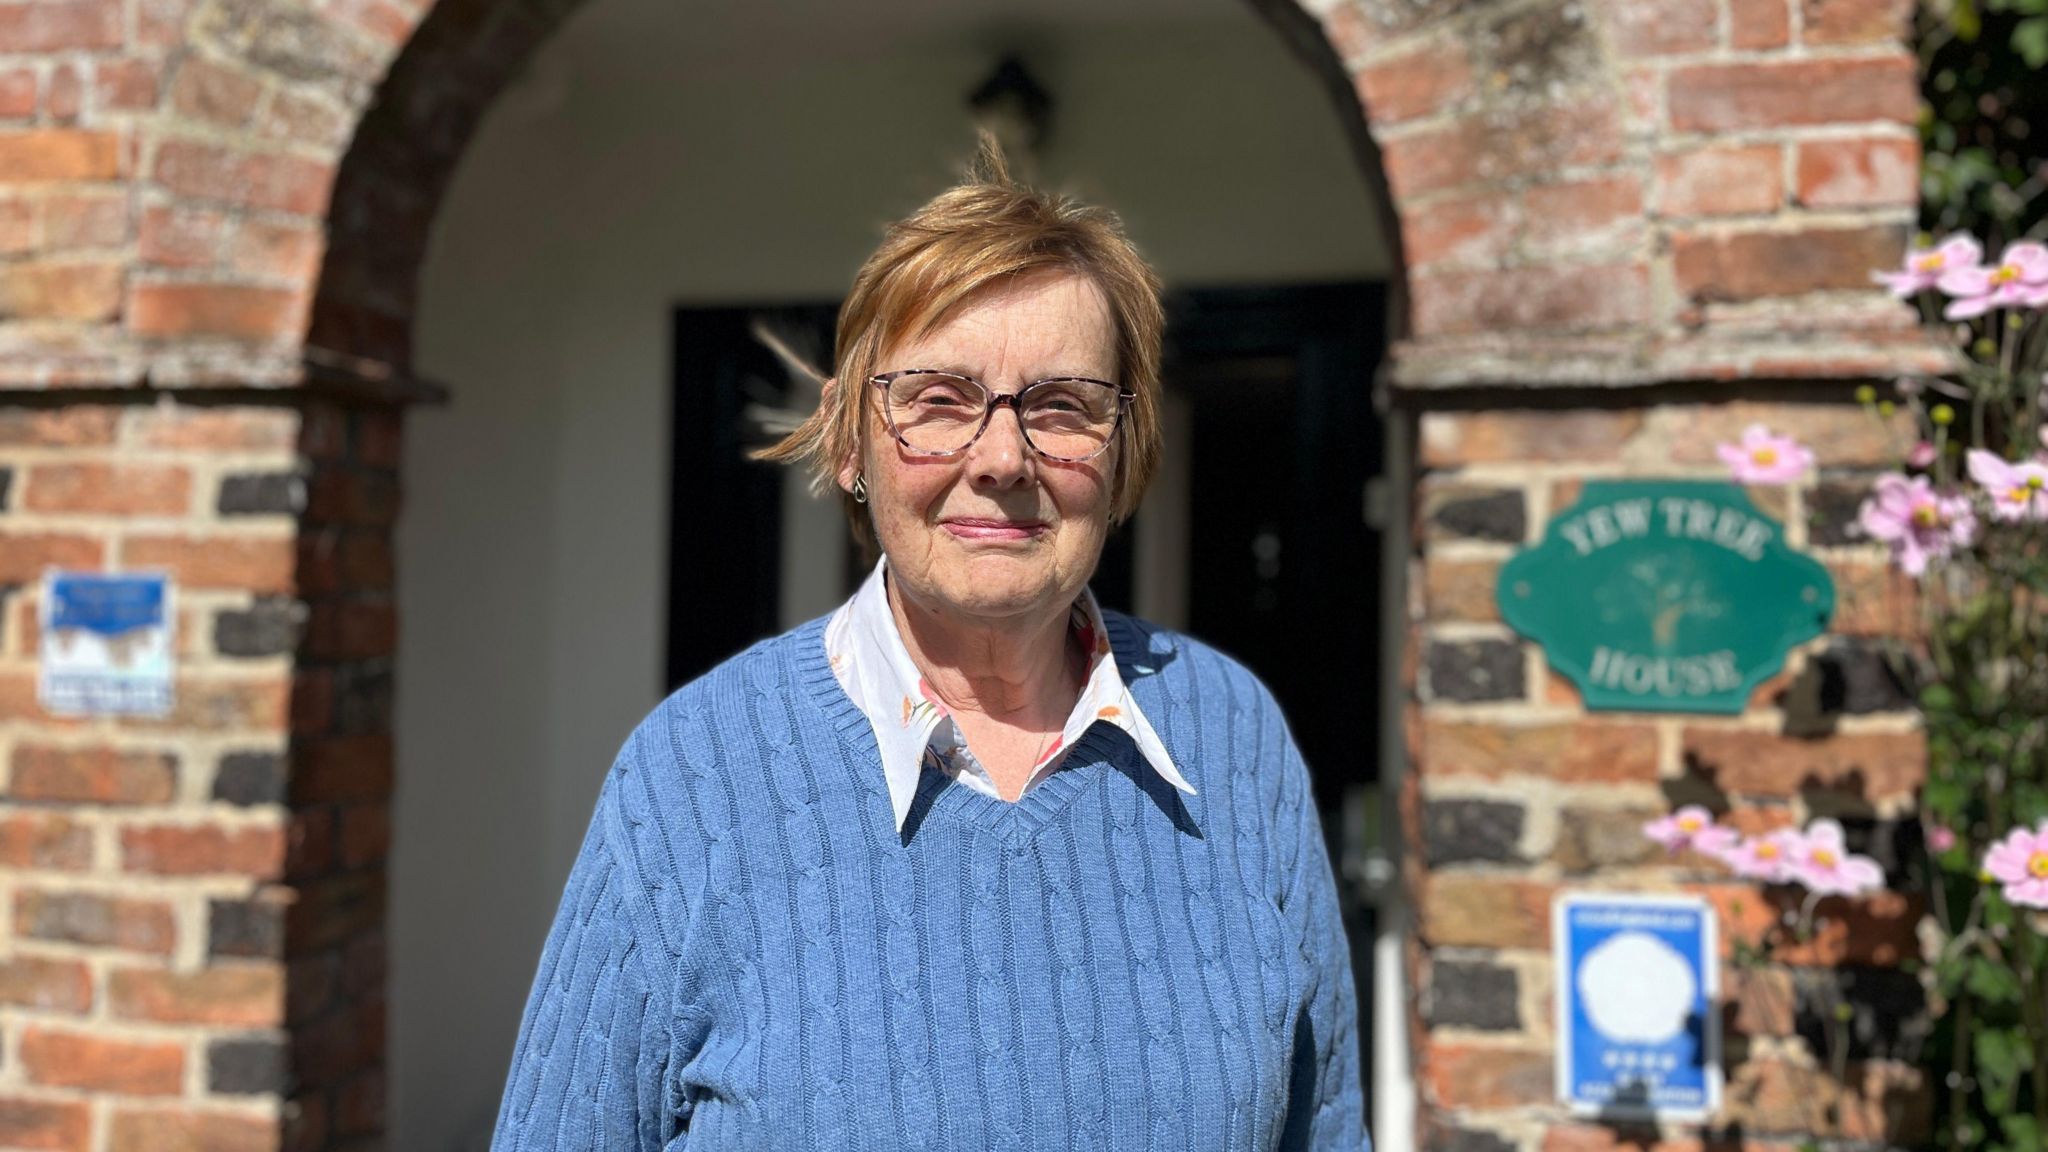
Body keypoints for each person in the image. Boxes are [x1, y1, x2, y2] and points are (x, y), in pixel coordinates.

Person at [490, 136, 1367, 1151]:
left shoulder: (1229, 735)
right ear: (850, 441)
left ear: (1126, 456)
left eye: (1062, 408)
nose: (1001, 458)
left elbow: (1324, 1129)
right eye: (937, 403)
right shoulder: (693, 771)